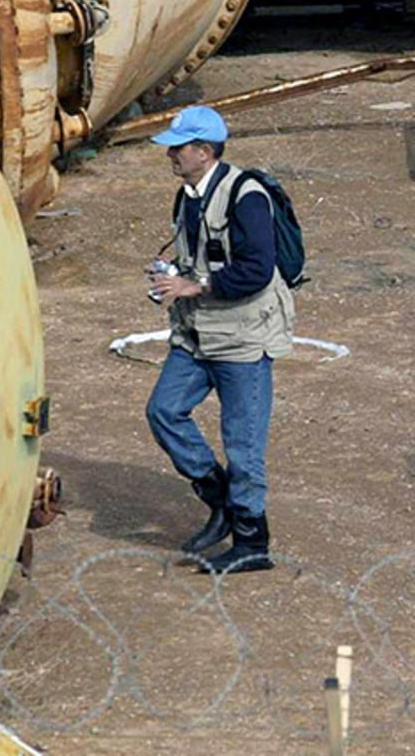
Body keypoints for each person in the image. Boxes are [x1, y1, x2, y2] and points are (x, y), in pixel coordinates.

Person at [144, 105, 296, 575]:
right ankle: (220, 499)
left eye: (178, 147)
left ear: (204, 151)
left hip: (244, 339)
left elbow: (257, 269)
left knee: (243, 446)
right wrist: (172, 275)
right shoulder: (187, 196)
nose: (170, 154)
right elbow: (199, 258)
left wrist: (196, 285)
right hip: (198, 334)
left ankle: (252, 543)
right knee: (164, 411)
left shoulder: (246, 197)